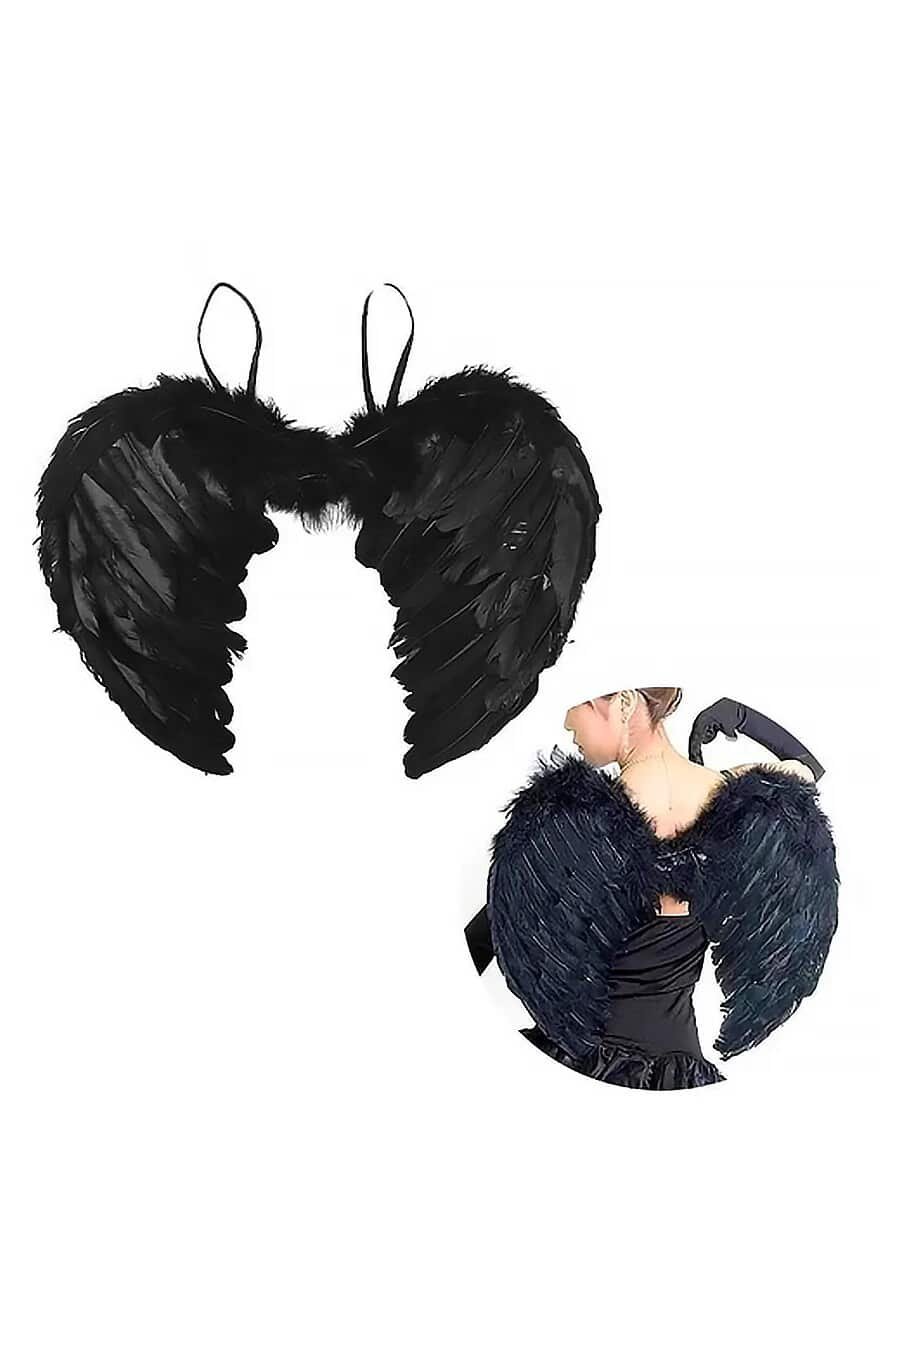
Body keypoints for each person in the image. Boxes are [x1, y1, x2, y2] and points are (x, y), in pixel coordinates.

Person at [466, 687, 839, 1090]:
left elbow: (498, 926)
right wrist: (742, 717)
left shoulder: (573, 822)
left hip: (578, 1058)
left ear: (623, 702)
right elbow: (806, 770)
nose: (568, 722)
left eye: (580, 704)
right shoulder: (741, 807)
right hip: (676, 1070)